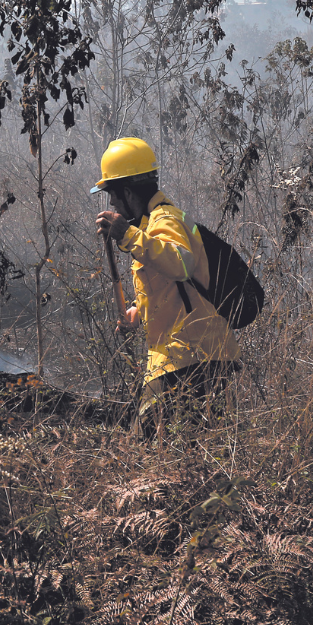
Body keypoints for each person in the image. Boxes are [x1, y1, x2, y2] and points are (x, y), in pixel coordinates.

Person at [93, 137, 239, 434]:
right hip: (190, 357)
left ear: (128, 191)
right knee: (195, 452)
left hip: (189, 358)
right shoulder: (151, 223)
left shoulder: (165, 219)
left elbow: (181, 264)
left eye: (113, 195)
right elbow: (168, 286)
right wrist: (135, 312)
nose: (112, 204)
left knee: (144, 448)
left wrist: (128, 235)